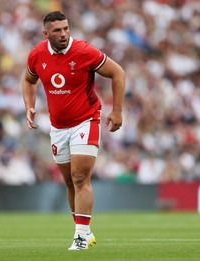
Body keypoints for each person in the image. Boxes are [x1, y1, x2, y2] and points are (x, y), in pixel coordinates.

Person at [22, 11, 125, 250]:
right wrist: (29, 106)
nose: (64, 34)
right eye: (57, 30)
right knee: (69, 181)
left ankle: (79, 237)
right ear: (45, 33)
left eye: (66, 28)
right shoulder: (37, 55)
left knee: (80, 177)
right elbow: (29, 80)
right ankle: (85, 232)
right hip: (58, 126)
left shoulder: (84, 51)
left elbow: (117, 72)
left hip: (86, 120)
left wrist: (117, 111)